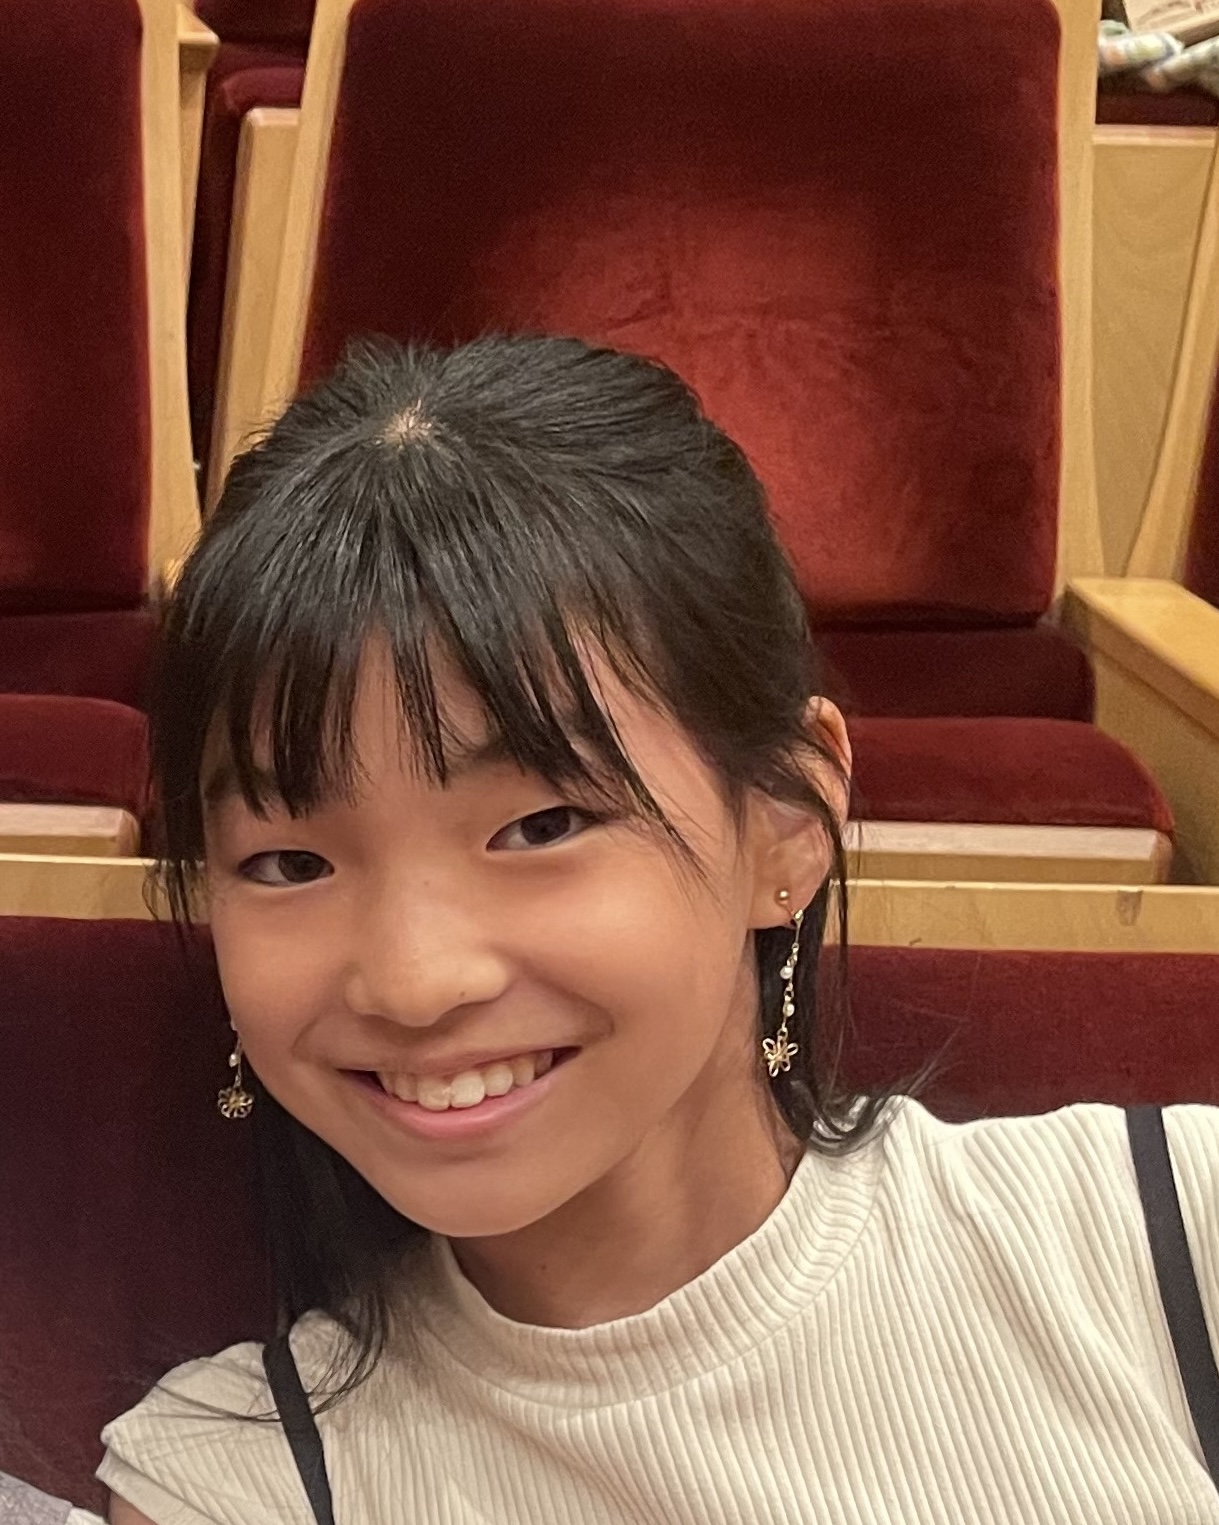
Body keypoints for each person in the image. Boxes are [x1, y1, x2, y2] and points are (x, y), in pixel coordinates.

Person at [100, 335, 1219, 1525]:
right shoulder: (236, 1484)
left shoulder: (1170, 1234)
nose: (415, 980)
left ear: (787, 820)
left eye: (540, 826)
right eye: (290, 862)